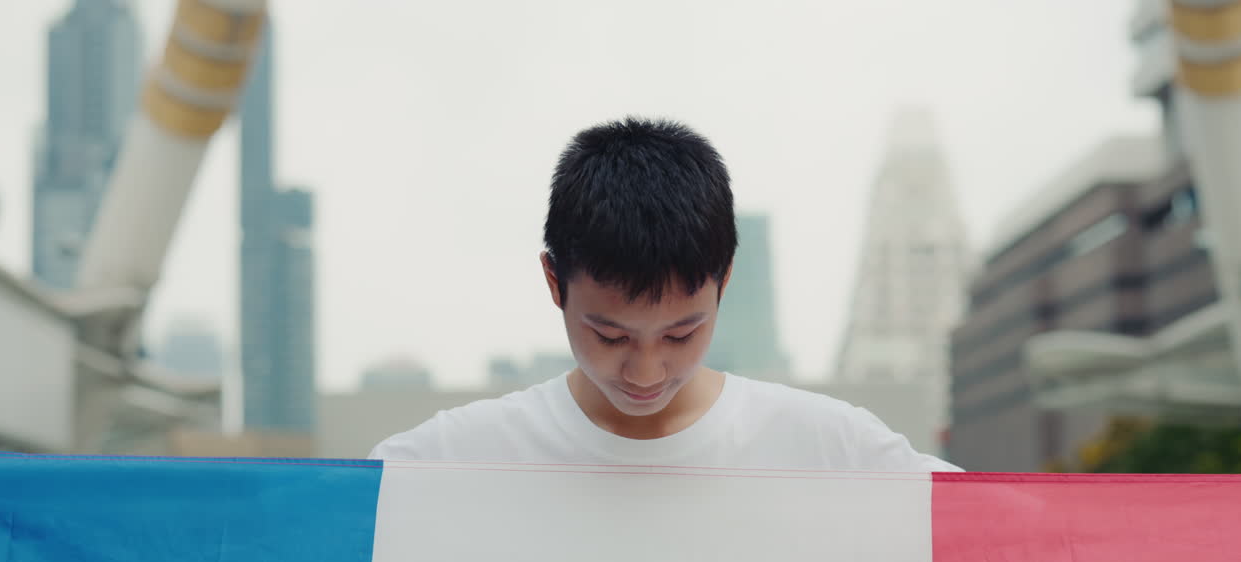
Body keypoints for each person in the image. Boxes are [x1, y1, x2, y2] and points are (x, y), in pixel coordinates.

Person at [370, 117, 959, 472]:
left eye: (682, 333)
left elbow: (1009, 550)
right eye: (610, 334)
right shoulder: (456, 460)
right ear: (555, 283)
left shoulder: (833, 452)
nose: (647, 372)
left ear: (724, 281)